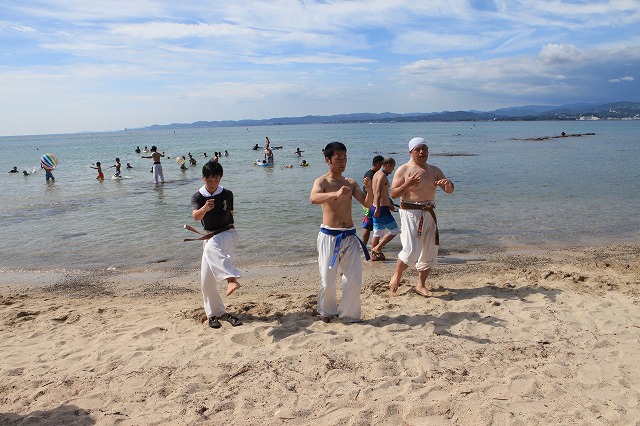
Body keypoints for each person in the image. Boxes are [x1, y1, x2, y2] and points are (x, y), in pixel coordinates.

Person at [310, 141, 373, 323]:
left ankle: (349, 313)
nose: (342, 162)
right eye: (338, 158)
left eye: (345, 158)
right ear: (328, 160)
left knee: (354, 278)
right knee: (327, 279)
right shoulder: (322, 181)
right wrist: (334, 194)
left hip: (349, 235)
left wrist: (370, 190)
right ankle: (327, 311)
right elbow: (313, 198)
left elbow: (367, 203)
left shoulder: (350, 183)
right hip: (329, 235)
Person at [388, 137, 454, 296]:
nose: (422, 152)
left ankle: (421, 285)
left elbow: (449, 191)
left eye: (424, 149)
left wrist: (447, 184)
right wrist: (408, 184)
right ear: (410, 152)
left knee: (429, 250)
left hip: (430, 211)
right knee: (411, 249)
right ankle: (398, 274)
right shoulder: (404, 169)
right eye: (417, 149)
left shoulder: (434, 170)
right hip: (411, 212)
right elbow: (393, 193)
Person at [191, 161, 243, 329]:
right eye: (209, 180)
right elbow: (195, 217)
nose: (213, 183)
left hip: (227, 233)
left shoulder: (227, 193)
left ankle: (231, 279)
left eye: (216, 180)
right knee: (206, 281)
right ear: (203, 178)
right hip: (210, 237)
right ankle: (216, 313)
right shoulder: (198, 196)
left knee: (211, 247)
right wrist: (205, 209)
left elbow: (231, 213)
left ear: (220, 178)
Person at [370, 157, 400, 261]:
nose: (393, 169)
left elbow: (382, 193)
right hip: (381, 208)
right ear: (388, 165)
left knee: (377, 232)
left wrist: (389, 203)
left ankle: (373, 255)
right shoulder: (382, 175)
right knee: (395, 230)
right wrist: (378, 208)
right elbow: (378, 192)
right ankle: (377, 248)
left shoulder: (376, 174)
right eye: (393, 167)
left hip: (375, 207)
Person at [361, 155, 384, 245]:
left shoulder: (369, 173)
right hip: (370, 204)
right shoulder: (372, 174)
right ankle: (364, 245)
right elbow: (370, 191)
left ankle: (370, 244)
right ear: (378, 164)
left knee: (373, 226)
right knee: (368, 226)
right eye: (382, 165)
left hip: (370, 203)